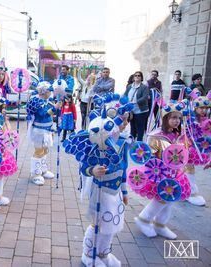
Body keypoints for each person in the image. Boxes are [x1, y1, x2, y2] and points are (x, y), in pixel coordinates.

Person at [64, 94, 133, 267]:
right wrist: (93, 170)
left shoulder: (123, 143)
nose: (124, 124)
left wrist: (124, 191)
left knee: (112, 224)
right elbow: (84, 167)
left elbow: (123, 168)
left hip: (115, 191)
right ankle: (88, 254)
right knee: (99, 224)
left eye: (126, 120)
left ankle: (103, 253)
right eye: (121, 120)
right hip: (100, 189)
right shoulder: (96, 142)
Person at [134, 100, 190, 240]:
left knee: (170, 199)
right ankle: (143, 219)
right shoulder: (156, 136)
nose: (176, 121)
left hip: (175, 174)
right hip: (159, 174)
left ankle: (160, 224)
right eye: (173, 117)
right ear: (165, 118)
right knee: (162, 199)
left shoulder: (178, 134)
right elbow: (148, 157)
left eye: (178, 117)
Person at [26, 81, 60, 186]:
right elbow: (43, 114)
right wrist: (55, 108)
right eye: (49, 91)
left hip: (47, 130)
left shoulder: (46, 101)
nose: (51, 93)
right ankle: (35, 174)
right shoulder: (37, 101)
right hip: (39, 131)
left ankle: (43, 170)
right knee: (39, 151)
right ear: (44, 91)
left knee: (45, 150)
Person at [184, 95, 211, 206]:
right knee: (188, 169)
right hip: (187, 148)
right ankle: (190, 192)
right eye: (201, 108)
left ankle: (188, 190)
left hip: (200, 149)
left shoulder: (207, 121)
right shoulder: (190, 119)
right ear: (195, 108)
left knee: (189, 169)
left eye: (206, 108)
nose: (204, 110)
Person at [123, 71, 149, 141]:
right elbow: (125, 95)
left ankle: (139, 142)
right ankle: (132, 142)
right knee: (132, 127)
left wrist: (134, 102)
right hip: (131, 111)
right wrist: (123, 101)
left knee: (140, 128)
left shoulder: (144, 87)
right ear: (133, 77)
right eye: (136, 75)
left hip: (141, 111)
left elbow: (145, 97)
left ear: (141, 78)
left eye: (139, 76)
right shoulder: (129, 86)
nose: (137, 77)